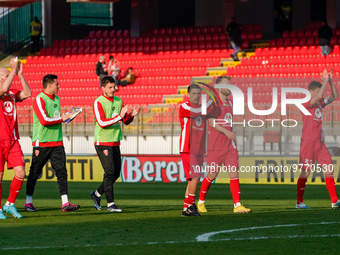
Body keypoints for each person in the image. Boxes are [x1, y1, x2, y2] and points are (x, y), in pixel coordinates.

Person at [25, 74, 80, 212]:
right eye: (57, 84)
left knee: (62, 172)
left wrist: (67, 118)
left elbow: (55, 118)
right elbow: (44, 120)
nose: (59, 86)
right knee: (34, 173)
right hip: (42, 143)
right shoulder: (39, 99)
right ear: (49, 85)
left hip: (57, 142)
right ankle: (28, 203)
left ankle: (65, 203)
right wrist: (62, 118)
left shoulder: (57, 98)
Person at [197, 76, 251, 213]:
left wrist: (231, 133)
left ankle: (237, 205)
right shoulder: (212, 103)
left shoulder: (231, 103)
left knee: (234, 174)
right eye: (227, 85)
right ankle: (201, 202)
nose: (230, 87)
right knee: (212, 175)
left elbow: (229, 122)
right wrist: (226, 132)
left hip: (230, 147)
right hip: (216, 146)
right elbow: (211, 122)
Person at [90, 76, 140, 212]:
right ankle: (110, 204)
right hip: (103, 141)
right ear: (103, 88)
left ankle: (97, 194)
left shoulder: (118, 101)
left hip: (115, 141)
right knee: (109, 172)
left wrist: (131, 115)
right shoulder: (98, 102)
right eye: (110, 87)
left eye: (114, 87)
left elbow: (124, 121)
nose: (113, 90)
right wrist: (119, 116)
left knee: (116, 173)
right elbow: (102, 122)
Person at [296, 69, 340, 209]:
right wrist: (325, 79)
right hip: (308, 143)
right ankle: (299, 202)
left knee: (329, 169)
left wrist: (330, 80)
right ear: (312, 91)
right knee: (306, 172)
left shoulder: (320, 104)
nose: (321, 95)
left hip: (320, 144)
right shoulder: (306, 103)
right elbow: (319, 96)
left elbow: (335, 95)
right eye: (318, 92)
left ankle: (334, 201)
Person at [179, 84, 221, 217]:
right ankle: (191, 206)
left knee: (192, 180)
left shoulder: (204, 108)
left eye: (199, 94)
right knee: (196, 177)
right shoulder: (184, 106)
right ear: (188, 95)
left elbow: (217, 112)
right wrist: (209, 104)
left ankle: (186, 208)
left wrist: (216, 99)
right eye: (194, 94)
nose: (197, 96)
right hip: (188, 148)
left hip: (199, 149)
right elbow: (198, 112)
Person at [0, 58, 32, 219]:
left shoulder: (12, 94)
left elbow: (27, 93)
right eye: (6, 76)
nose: (9, 78)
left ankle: (10, 204)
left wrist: (20, 75)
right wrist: (12, 69)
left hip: (13, 141)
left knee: (20, 171)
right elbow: (3, 88)